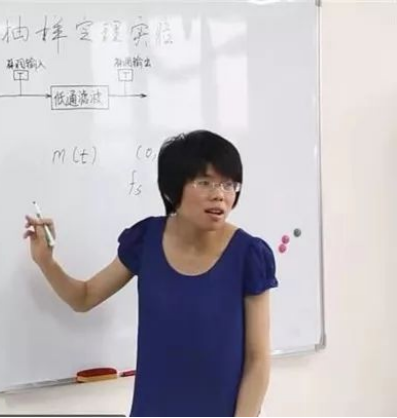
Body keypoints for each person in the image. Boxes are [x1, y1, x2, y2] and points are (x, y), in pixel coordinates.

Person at [23, 130, 278, 417]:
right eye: (204, 182)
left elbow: (257, 359)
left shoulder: (249, 255)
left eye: (229, 184)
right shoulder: (146, 240)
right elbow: (83, 297)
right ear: (172, 189)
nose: (220, 194)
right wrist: (46, 261)